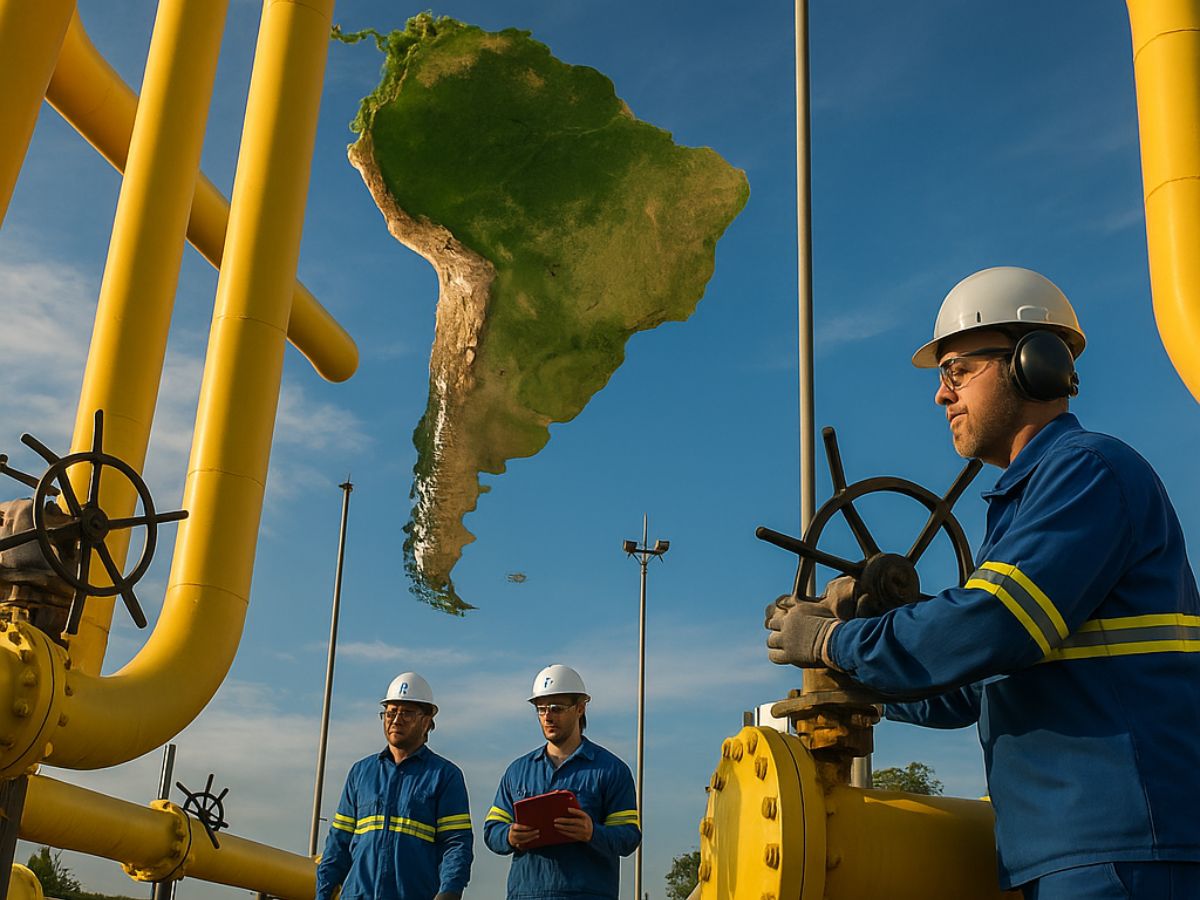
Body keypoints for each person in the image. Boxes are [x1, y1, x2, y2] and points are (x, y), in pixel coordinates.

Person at [765, 266, 1200, 899]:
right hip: (1062, 851)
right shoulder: (1022, 505)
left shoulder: (1088, 473)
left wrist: (835, 642)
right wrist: (852, 661)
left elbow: (991, 626)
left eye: (957, 371)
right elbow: (969, 687)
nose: (942, 396)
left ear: (1034, 363)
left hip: (1122, 844)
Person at [483, 664, 640, 899]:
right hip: (526, 893)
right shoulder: (517, 771)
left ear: (580, 708)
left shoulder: (611, 770)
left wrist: (592, 833)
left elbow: (628, 836)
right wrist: (509, 836)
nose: (548, 716)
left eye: (556, 708)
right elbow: (492, 829)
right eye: (541, 708)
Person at [316, 672, 473, 900]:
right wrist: (322, 894)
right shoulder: (361, 773)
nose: (396, 719)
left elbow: (456, 843)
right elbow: (338, 844)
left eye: (407, 713)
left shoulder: (445, 776)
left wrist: (450, 891)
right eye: (391, 712)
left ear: (427, 720)